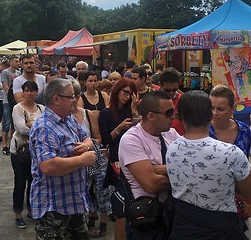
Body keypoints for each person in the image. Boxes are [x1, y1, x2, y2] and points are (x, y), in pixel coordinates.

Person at [166, 90, 251, 239]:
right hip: (221, 228)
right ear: (210, 115)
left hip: (183, 226)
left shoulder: (172, 149)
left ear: (180, 117)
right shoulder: (230, 152)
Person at [29, 78, 96, 239]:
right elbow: (48, 166)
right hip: (53, 208)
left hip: (73, 204)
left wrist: (86, 146)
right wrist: (82, 160)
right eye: (71, 96)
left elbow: (87, 138)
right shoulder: (44, 127)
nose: (75, 99)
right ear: (56, 99)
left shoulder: (68, 119)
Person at [118, 91, 180, 239]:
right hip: (148, 220)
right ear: (151, 116)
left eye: (174, 111)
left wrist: (164, 169)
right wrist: (186, 176)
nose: (174, 116)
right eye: (169, 112)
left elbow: (193, 162)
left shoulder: (171, 134)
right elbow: (151, 184)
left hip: (172, 215)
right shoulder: (132, 139)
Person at [208, 84, 251, 238]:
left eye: (220, 109)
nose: (215, 113)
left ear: (232, 108)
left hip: (239, 201)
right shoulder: (203, 130)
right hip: (211, 202)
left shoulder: (244, 130)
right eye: (212, 108)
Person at [99, 78, 138, 240]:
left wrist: (135, 109)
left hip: (133, 157)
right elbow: (106, 139)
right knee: (122, 201)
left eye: (131, 93)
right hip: (116, 159)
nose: (127, 96)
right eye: (125, 92)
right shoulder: (106, 112)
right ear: (117, 91)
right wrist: (120, 128)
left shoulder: (132, 111)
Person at [71, 80, 107, 237]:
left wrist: (86, 145)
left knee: (99, 191)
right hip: (74, 164)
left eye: (74, 95)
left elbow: (98, 138)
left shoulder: (87, 114)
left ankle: (99, 221)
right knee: (83, 193)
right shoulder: (59, 118)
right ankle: (87, 219)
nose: (72, 99)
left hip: (92, 160)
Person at [10, 81, 44, 229]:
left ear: (37, 93)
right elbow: (22, 129)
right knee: (20, 182)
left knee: (34, 182)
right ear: (23, 92)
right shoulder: (17, 108)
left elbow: (47, 126)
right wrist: (37, 127)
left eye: (32, 91)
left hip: (36, 152)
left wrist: (32, 123)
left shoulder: (42, 109)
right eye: (26, 91)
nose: (29, 94)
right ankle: (18, 213)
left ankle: (32, 209)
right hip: (19, 152)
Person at [1, 56, 21, 156]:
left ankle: (12, 143)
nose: (18, 63)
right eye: (16, 61)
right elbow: (5, 86)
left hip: (15, 101)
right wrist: (12, 94)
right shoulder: (5, 72)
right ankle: (4, 144)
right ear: (11, 62)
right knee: (6, 122)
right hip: (7, 100)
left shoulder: (18, 73)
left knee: (14, 122)